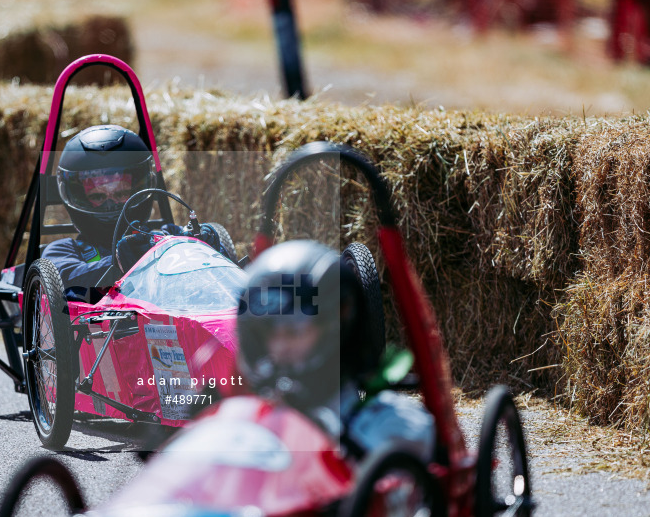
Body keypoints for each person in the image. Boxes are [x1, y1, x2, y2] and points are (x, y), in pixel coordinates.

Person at [235, 239, 436, 462]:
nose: (280, 348)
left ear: (336, 328)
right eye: (269, 334)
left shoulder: (388, 424)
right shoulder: (254, 416)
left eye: (294, 333)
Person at [42, 124, 222, 293]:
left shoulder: (168, 234)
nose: (111, 204)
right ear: (80, 198)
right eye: (98, 196)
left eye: (121, 193)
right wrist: (119, 263)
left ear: (139, 190)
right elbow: (62, 282)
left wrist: (209, 249)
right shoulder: (64, 251)